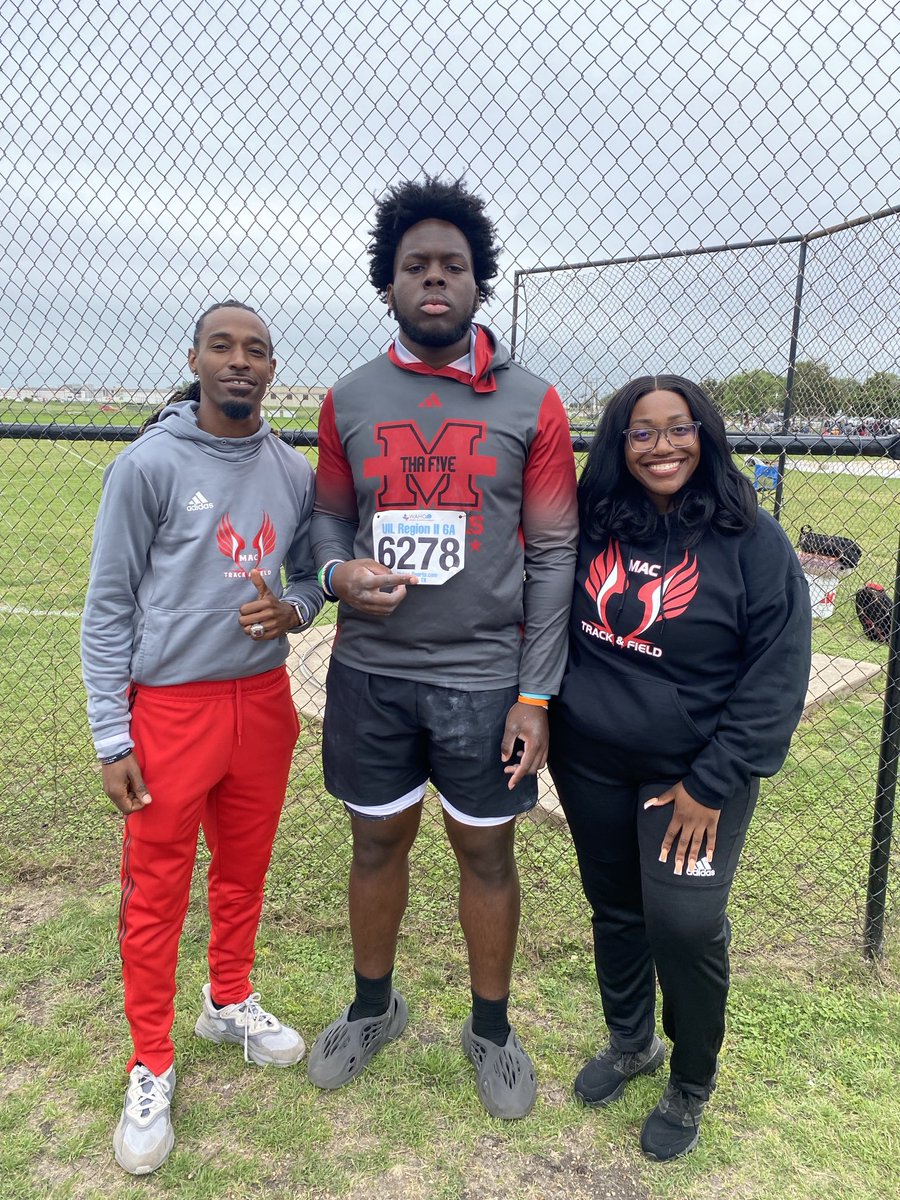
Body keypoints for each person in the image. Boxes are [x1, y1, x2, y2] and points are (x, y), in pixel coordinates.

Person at [308, 176, 578, 1119]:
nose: (434, 279)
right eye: (415, 265)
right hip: (373, 675)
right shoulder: (347, 399)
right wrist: (338, 575)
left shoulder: (533, 405)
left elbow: (551, 553)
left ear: (478, 282)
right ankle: (373, 1009)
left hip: (484, 681)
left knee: (487, 856)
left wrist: (535, 695)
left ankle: (491, 1031)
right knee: (376, 842)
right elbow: (330, 520)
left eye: (452, 266)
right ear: (387, 283)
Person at [81, 301, 323, 1175]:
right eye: (222, 346)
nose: (240, 362)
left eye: (256, 350)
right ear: (194, 358)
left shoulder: (292, 472)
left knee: (244, 869)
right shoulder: (148, 464)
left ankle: (228, 999)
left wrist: (296, 607)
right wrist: (114, 736)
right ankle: (151, 1059)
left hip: (260, 703)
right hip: (170, 711)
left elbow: (309, 579)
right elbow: (107, 606)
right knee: (156, 887)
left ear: (270, 369)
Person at [547, 375, 811, 1160]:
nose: (662, 445)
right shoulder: (594, 525)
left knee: (685, 923)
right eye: (641, 431)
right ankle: (632, 1042)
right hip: (591, 758)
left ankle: (691, 1080)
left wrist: (710, 783)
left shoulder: (750, 541)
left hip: (694, 777)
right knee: (617, 908)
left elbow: (777, 674)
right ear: (619, 445)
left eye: (679, 427)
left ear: (707, 435)